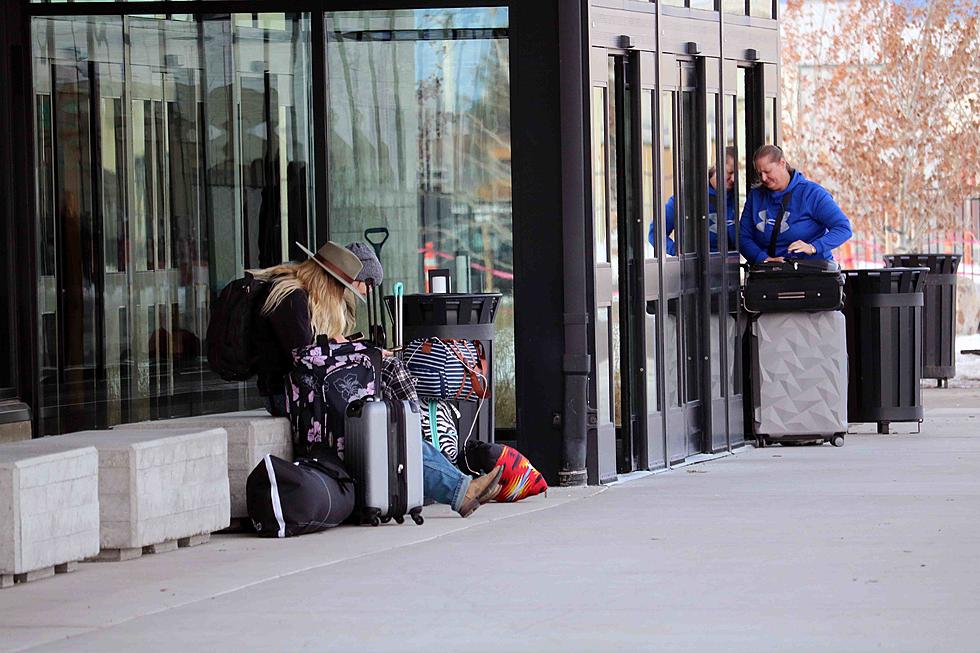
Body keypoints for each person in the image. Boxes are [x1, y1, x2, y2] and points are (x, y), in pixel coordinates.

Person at [251, 240, 502, 518]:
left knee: (384, 418)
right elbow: (306, 358)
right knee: (380, 428)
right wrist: (351, 349)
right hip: (289, 398)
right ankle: (458, 486)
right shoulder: (290, 298)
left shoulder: (299, 297)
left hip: (311, 397)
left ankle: (453, 480)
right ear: (330, 281)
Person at [739, 144, 852, 264]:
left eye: (767, 171)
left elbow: (843, 228)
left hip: (811, 272)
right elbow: (742, 237)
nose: (764, 178)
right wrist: (763, 259)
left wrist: (813, 247)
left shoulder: (812, 194)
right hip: (771, 274)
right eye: (759, 173)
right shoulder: (755, 196)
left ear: (782, 163)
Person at [651, 146, 737, 255]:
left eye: (737, 174)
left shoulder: (739, 197)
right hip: (698, 267)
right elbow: (655, 233)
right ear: (717, 166)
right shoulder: (689, 197)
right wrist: (679, 253)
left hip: (731, 267)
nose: (734, 179)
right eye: (730, 172)